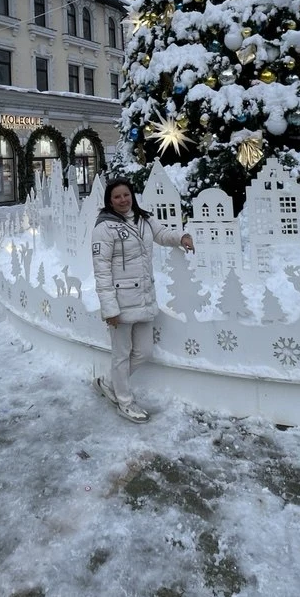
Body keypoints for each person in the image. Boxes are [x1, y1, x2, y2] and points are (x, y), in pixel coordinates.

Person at [91, 177, 194, 423]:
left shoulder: (143, 219)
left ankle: (108, 382)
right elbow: (101, 270)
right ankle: (124, 401)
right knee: (121, 354)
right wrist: (109, 308)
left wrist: (182, 237)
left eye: (126, 195)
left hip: (144, 297)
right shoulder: (103, 228)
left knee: (144, 352)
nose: (123, 200)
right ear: (110, 200)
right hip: (120, 301)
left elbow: (162, 234)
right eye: (117, 197)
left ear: (132, 195)